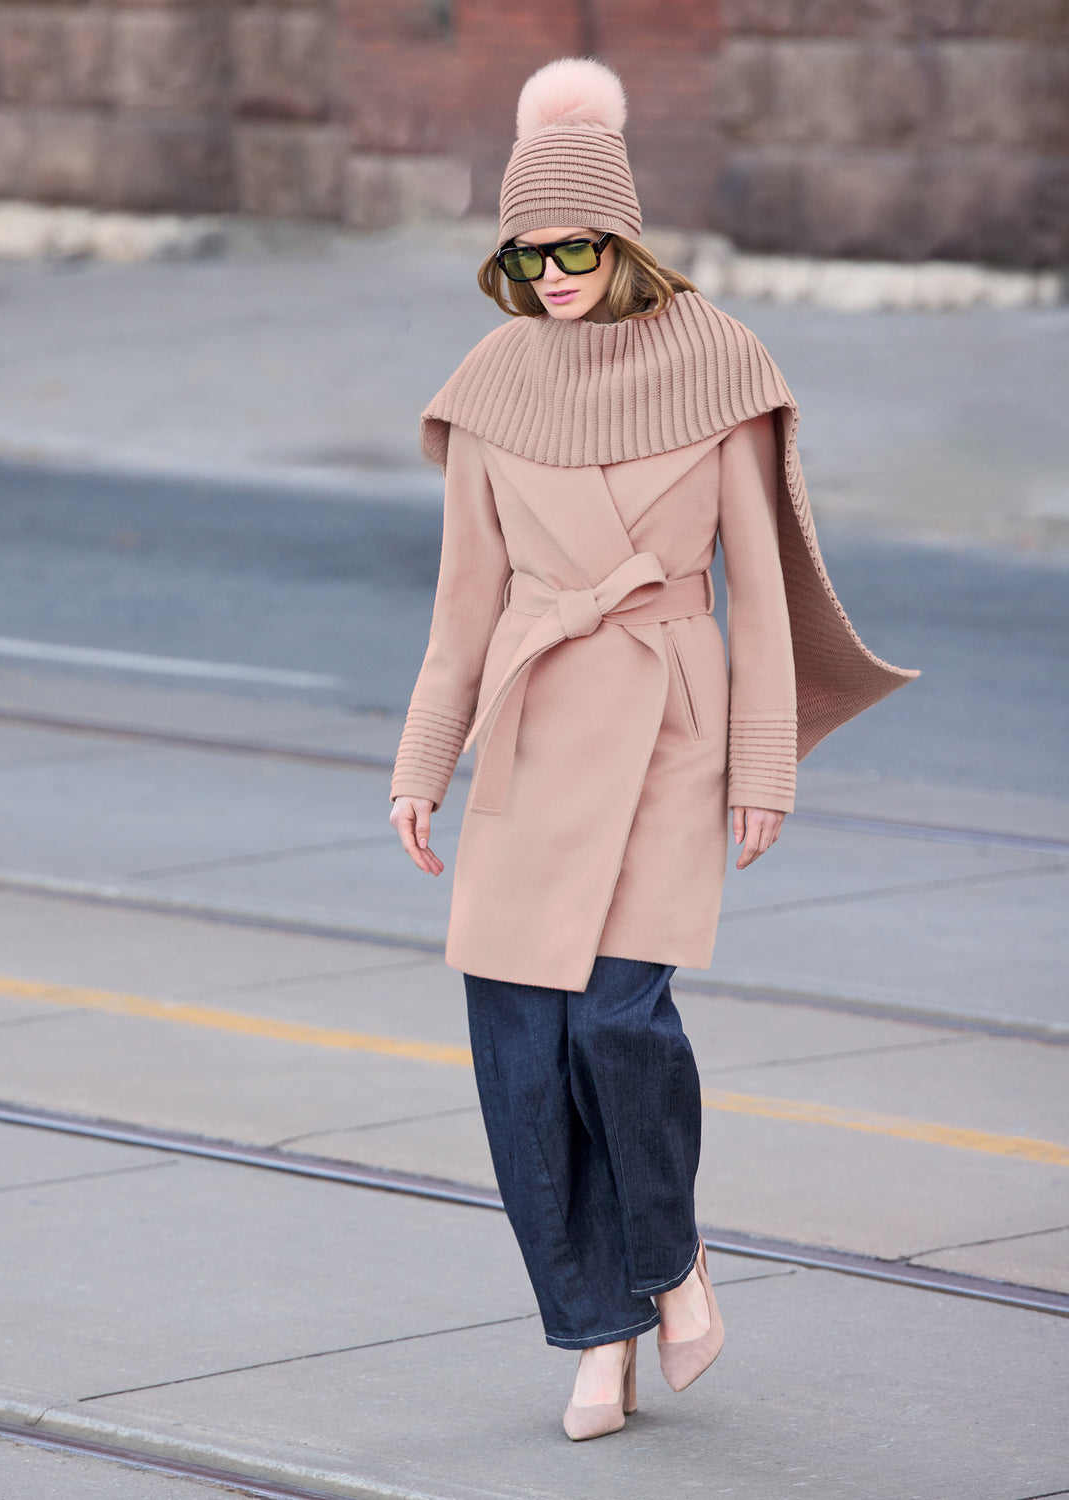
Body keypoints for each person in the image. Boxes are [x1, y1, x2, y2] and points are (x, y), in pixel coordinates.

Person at [388, 56, 918, 1442]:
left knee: (619, 1026)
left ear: (622, 243)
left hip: (670, 721)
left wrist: (765, 766)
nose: (551, 274)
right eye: (525, 255)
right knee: (520, 1055)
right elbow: (461, 612)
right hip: (530, 728)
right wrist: (418, 763)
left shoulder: (719, 363)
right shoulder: (493, 383)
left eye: (573, 248)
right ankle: (597, 1334)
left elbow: (758, 579)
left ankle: (667, 1250)